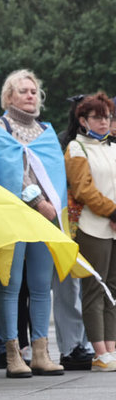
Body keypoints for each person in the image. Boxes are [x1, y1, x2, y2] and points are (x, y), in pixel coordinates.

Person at [0, 69, 65, 378]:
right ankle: (13, 353)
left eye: (34, 91)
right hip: (11, 216)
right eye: (23, 91)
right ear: (8, 97)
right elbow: (6, 174)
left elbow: (57, 177)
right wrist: (36, 201)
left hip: (45, 219)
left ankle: (41, 353)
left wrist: (52, 207)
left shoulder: (46, 131)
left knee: (42, 287)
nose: (31, 95)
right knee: (10, 285)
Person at [63, 92, 116, 371]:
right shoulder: (76, 148)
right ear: (83, 120)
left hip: (113, 228)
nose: (104, 122)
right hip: (92, 226)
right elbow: (83, 189)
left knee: (114, 287)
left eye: (107, 116)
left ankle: (111, 347)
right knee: (95, 287)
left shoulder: (112, 147)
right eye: (97, 117)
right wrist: (112, 211)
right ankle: (99, 351)